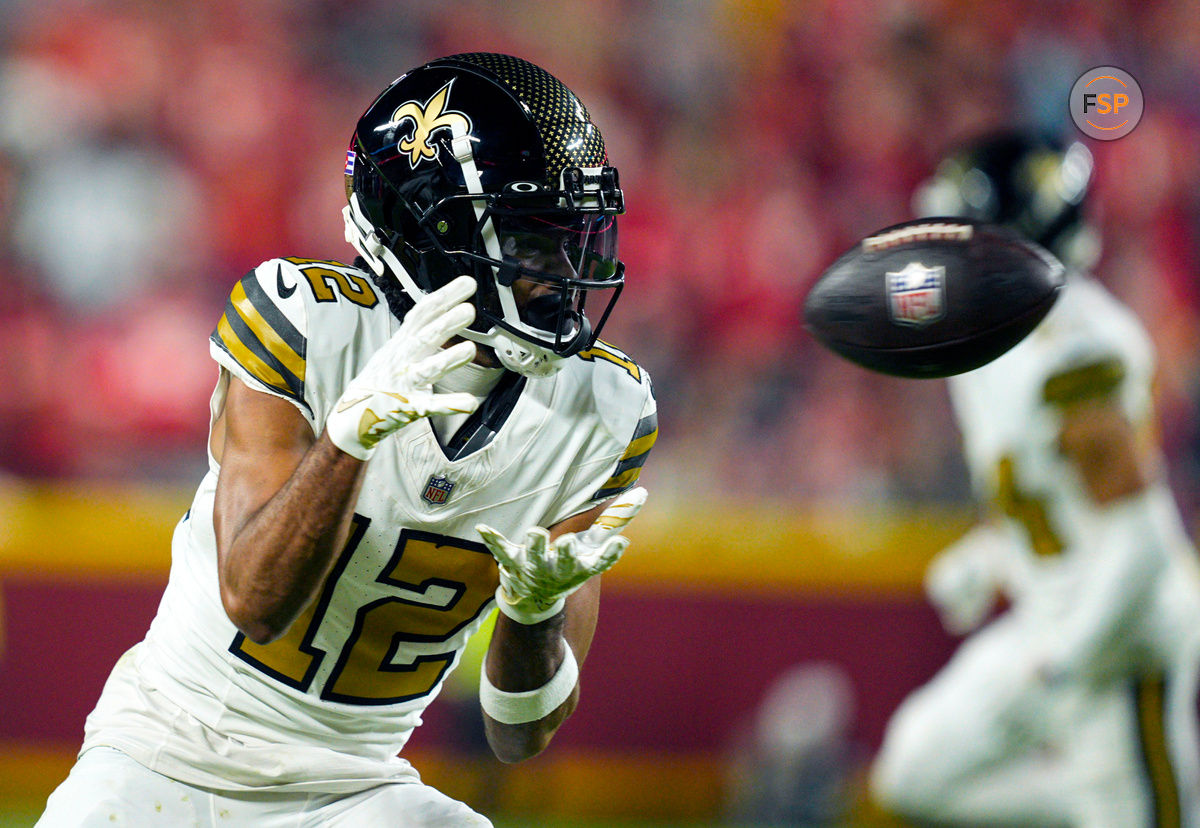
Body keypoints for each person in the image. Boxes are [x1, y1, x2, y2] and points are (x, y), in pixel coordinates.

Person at [36, 52, 656, 827]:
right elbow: (254, 601)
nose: (566, 274)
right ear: (433, 229)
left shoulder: (604, 407)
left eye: (578, 237)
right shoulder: (308, 323)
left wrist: (533, 613)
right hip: (168, 754)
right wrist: (347, 438)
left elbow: (519, 733)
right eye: (534, 242)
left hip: (358, 786)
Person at [869, 130, 1200, 827]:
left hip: (1121, 642)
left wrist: (1066, 657)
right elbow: (1053, 498)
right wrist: (989, 557)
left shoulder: (1072, 348)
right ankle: (1084, 807)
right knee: (913, 774)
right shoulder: (993, 341)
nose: (945, 251)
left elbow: (1138, 543)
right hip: (1049, 619)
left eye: (963, 232)